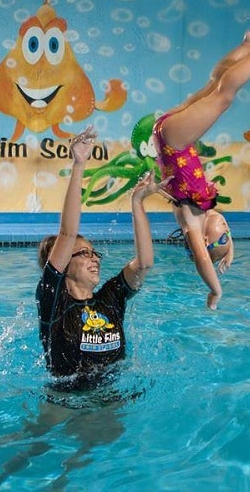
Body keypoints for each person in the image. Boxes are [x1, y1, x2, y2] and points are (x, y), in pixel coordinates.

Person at [155, 29, 250, 309]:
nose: (227, 227)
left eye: (224, 234)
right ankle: (248, 44)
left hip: (175, 141)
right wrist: (230, 248)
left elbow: (203, 260)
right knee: (216, 83)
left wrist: (215, 291)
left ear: (205, 239)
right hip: (169, 133)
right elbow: (214, 243)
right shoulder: (200, 213)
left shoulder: (191, 220)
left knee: (224, 96)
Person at [35, 124, 162, 385]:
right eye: (83, 253)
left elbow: (145, 263)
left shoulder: (110, 299)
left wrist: (137, 203)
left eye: (94, 254)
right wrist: (79, 165)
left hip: (109, 398)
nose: (93, 259)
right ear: (63, 265)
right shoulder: (53, 301)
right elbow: (68, 233)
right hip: (64, 400)